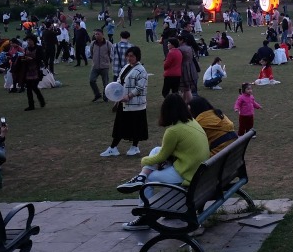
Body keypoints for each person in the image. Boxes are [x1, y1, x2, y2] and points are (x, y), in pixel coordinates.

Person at [117, 93, 210, 231]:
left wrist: (144, 160)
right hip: (197, 170)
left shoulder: (173, 130)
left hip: (187, 173)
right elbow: (165, 154)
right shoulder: (192, 122)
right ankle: (141, 177)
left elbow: (161, 157)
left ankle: (145, 216)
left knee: (148, 180)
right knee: (155, 149)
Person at [100, 46, 148, 157]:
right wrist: (116, 96)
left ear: (137, 56)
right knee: (119, 126)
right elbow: (119, 82)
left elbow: (140, 87)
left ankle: (135, 147)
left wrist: (129, 96)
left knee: (136, 126)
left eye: (132, 56)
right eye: (128, 55)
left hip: (136, 104)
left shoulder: (141, 70)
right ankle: (113, 148)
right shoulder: (126, 67)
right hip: (124, 103)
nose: (129, 58)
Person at [22, 35, 46, 111]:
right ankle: (31, 105)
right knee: (29, 89)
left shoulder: (39, 48)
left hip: (36, 70)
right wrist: (24, 59)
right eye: (28, 40)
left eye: (30, 40)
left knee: (34, 86)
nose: (28, 42)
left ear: (34, 41)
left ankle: (41, 100)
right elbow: (24, 58)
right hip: (28, 71)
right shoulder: (26, 49)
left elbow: (42, 58)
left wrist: (32, 59)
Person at [89, 29, 113, 102]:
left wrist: (107, 62)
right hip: (95, 66)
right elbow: (91, 53)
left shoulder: (108, 44)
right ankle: (97, 94)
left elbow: (111, 54)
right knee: (91, 80)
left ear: (102, 35)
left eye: (98, 34)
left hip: (104, 67)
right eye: (95, 34)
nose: (96, 35)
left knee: (105, 83)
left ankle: (105, 96)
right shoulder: (93, 43)